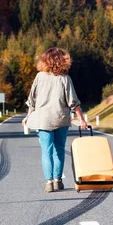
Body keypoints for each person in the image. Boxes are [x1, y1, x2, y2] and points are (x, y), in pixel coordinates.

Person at [23, 47, 88, 192]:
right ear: (63, 61)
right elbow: (73, 102)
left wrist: (28, 116)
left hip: (44, 120)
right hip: (61, 119)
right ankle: (58, 181)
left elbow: (32, 100)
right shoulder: (65, 79)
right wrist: (82, 120)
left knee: (46, 151)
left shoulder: (39, 77)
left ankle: (49, 182)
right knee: (59, 150)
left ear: (45, 60)